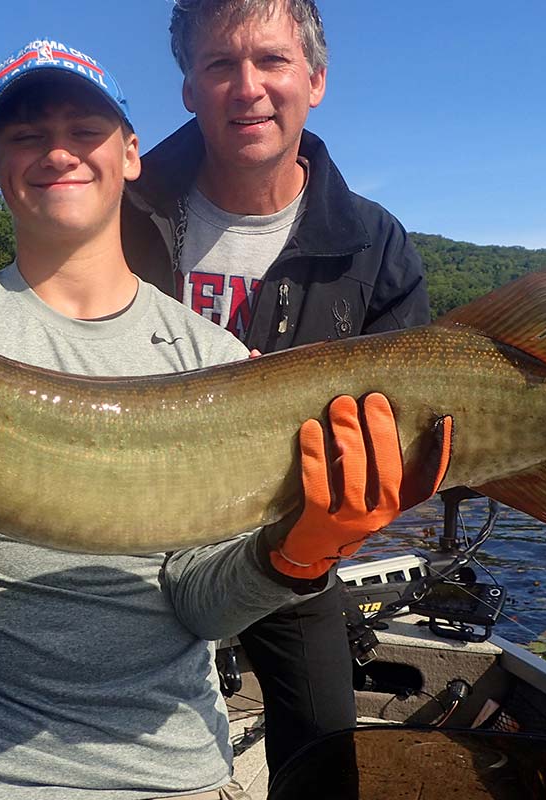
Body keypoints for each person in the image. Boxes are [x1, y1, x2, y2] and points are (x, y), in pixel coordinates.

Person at [0, 38, 444, 799]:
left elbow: (201, 603)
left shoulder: (210, 355)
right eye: (26, 135)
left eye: (84, 131)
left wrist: (309, 546)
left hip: (173, 771)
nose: (58, 152)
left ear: (131, 154)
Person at [122, 0, 432, 778]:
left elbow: (408, 435)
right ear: (188, 89)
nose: (246, 86)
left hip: (290, 543)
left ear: (316, 80)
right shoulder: (118, 211)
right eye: (219, 65)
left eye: (271, 61)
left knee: (328, 754)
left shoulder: (375, 243)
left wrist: (366, 506)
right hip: (126, 533)